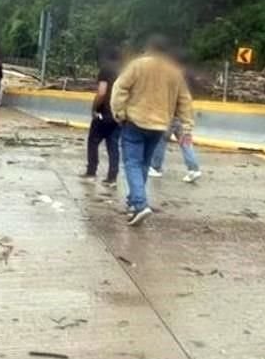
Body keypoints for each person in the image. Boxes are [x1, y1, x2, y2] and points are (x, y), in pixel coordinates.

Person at [111, 35, 194, 226]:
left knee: (132, 163)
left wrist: (119, 113)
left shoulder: (137, 65)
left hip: (135, 121)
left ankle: (140, 204)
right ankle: (133, 203)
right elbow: (184, 100)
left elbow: (120, 88)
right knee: (144, 164)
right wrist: (187, 125)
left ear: (149, 48)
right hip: (159, 126)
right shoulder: (174, 71)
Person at [80, 46, 121, 186]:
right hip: (118, 114)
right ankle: (112, 177)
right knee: (113, 145)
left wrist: (94, 108)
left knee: (93, 141)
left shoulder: (106, 70)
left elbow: (102, 92)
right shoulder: (125, 71)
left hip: (104, 113)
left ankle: (91, 172)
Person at [149, 116, 202, 183]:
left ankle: (155, 167)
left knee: (161, 139)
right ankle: (194, 170)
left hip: (169, 117)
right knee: (186, 144)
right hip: (184, 119)